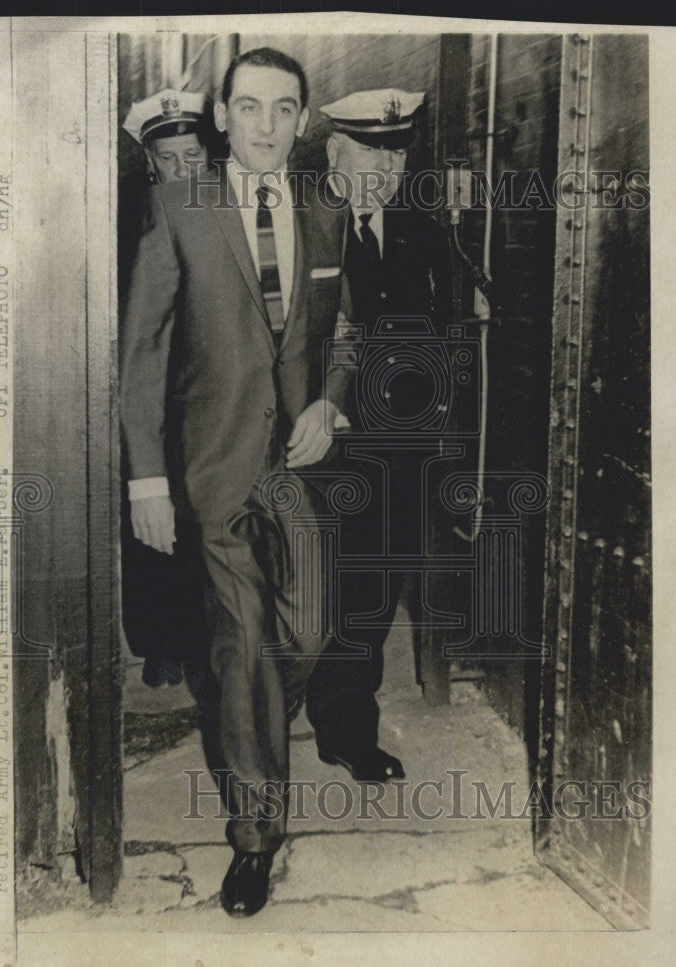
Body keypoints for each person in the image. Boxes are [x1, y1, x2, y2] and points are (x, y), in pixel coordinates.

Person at [120, 48, 349, 917]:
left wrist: (330, 402)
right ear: (222, 116)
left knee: (314, 629)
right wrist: (146, 477)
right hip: (211, 466)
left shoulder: (324, 209)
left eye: (282, 109)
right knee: (247, 640)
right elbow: (141, 353)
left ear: (301, 117)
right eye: (247, 107)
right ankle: (256, 836)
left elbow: (348, 328)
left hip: (300, 467)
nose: (264, 126)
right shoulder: (179, 207)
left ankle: (241, 718)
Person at [305, 89, 453, 782]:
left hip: (398, 448)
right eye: (371, 151)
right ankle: (271, 714)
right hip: (319, 444)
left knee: (373, 588)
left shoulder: (417, 225)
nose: (387, 169)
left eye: (396, 155)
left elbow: (437, 326)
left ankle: (344, 729)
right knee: (305, 590)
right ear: (334, 150)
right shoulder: (304, 222)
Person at [120, 88, 212, 690]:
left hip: (204, 393)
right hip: (146, 390)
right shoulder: (129, 215)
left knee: (203, 526)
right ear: (151, 160)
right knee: (151, 520)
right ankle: (157, 642)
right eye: (171, 159)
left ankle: (199, 640)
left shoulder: (225, 207)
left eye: (194, 156)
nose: (184, 170)